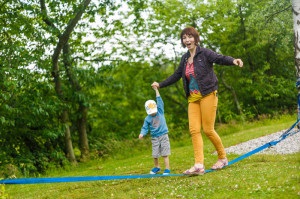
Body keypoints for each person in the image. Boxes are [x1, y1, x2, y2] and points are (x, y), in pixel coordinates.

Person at [151, 26, 243, 175]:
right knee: (194, 130)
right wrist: (160, 85)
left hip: (208, 94)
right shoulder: (185, 58)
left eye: (190, 37)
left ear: (195, 38)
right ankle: (199, 165)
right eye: (184, 38)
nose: (187, 40)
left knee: (208, 129)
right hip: (193, 99)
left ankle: (222, 157)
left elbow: (219, 58)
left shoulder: (204, 53)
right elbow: (176, 75)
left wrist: (233, 60)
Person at [139, 87, 171, 175]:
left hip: (164, 135)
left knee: (165, 153)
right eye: (151, 112)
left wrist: (156, 90)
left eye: (154, 111)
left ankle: (167, 168)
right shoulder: (147, 118)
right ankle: (157, 167)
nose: (153, 113)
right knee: (155, 154)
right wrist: (142, 133)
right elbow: (145, 127)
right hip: (154, 137)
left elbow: (159, 100)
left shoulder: (160, 111)